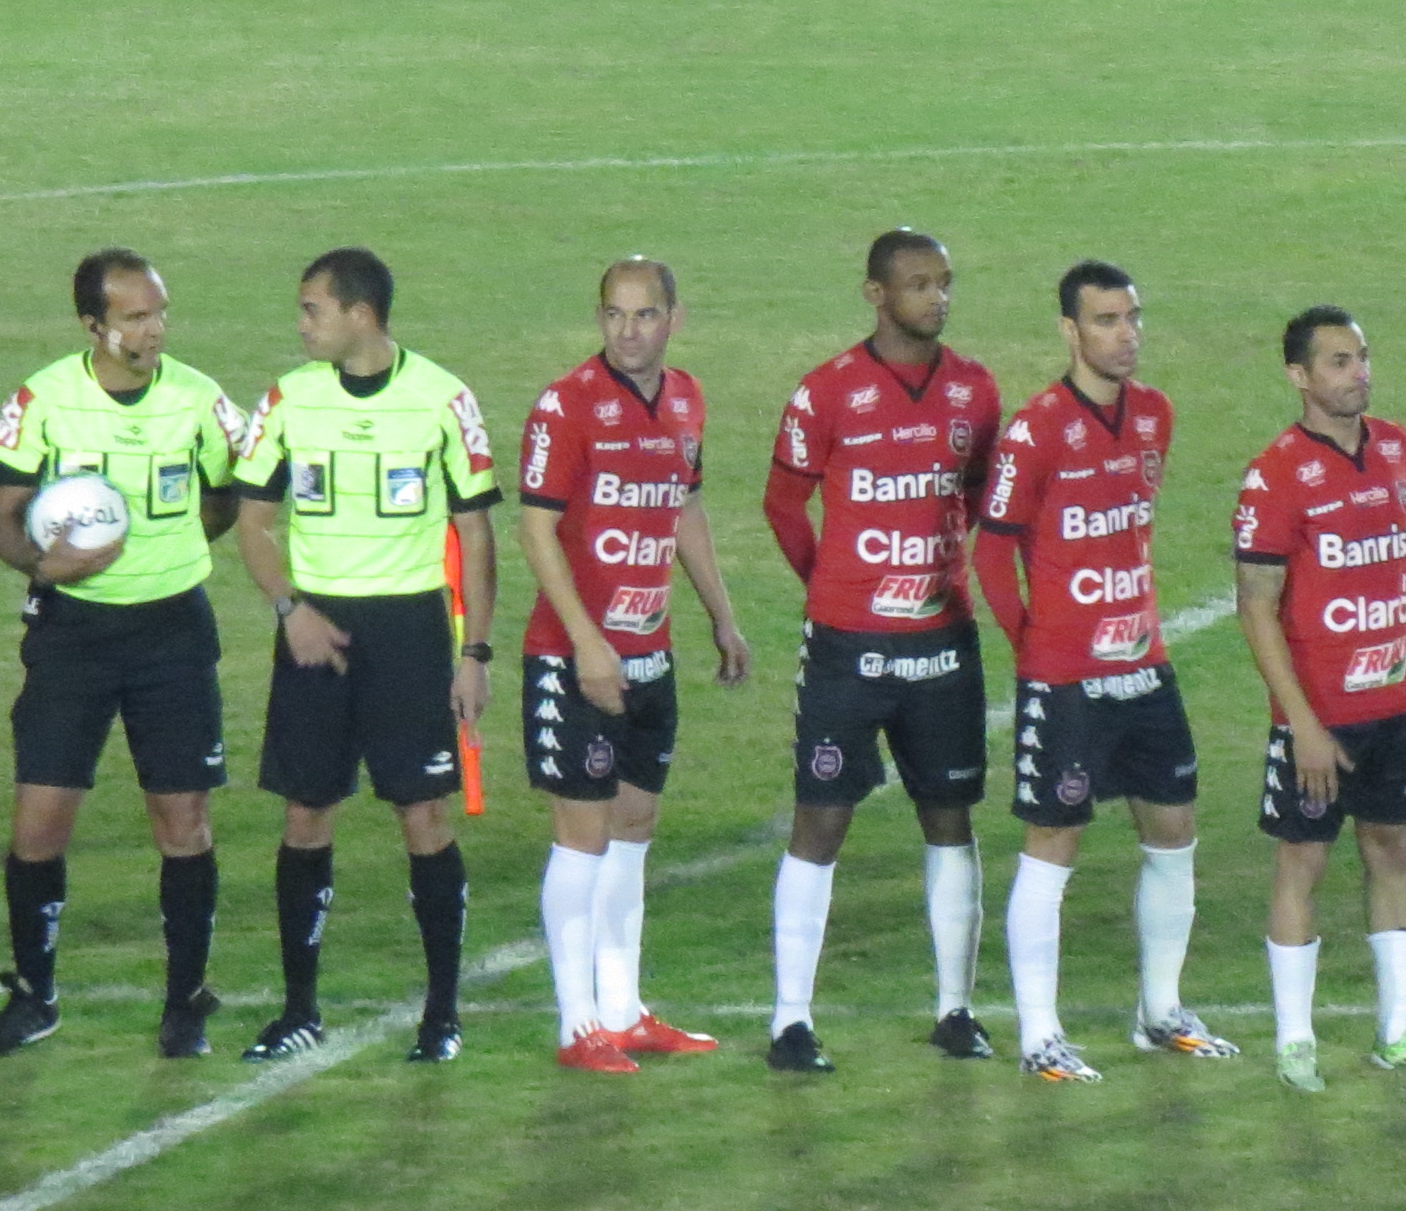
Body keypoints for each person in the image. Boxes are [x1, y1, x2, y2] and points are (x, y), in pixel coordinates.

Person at [0, 249, 243, 1057]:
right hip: (74, 635)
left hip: (172, 632)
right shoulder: (43, 401)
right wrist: (41, 564)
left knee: (183, 820)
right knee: (39, 822)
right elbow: (1, 521)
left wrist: (171, 553)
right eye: (133, 317)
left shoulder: (199, 400)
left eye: (158, 312)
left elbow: (230, 497)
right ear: (93, 325)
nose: (153, 328)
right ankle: (35, 995)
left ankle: (185, 999)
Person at [229, 248, 496, 1063]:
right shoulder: (287, 399)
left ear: (360, 314)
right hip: (316, 629)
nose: (301, 323)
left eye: (313, 309)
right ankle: (300, 1008)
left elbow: (476, 533)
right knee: (306, 813)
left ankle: (442, 1014)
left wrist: (475, 651)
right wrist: (289, 609)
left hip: (410, 632)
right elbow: (253, 522)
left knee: (424, 815)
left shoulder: (443, 400)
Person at [972, 260, 1231, 1083]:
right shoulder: (1036, 429)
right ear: (1070, 331)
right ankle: (1039, 1035)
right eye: (1108, 321)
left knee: (1174, 830)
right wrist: (1034, 645)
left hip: (1145, 664)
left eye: (1133, 318)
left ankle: (1160, 1011)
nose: (1126, 335)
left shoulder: (1155, 415)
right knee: (1054, 842)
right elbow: (991, 549)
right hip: (1067, 675)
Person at [761, 228, 1002, 1072]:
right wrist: (829, 586)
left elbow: (978, 494)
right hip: (846, 647)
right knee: (819, 821)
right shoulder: (826, 392)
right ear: (875, 293)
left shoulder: (975, 390)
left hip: (942, 641)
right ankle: (791, 1022)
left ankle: (956, 1009)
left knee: (950, 819)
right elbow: (784, 503)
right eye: (918, 284)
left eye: (945, 282)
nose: (936, 297)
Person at [1231, 306, 1406, 1092]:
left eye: (1363, 357)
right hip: (1321, 714)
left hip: (1395, 701)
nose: (1358, 373)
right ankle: (1295, 1040)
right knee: (1302, 860)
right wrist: (1300, 721)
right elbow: (1254, 606)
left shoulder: (1397, 449)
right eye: (1338, 362)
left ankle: (1400, 1032)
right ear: (1299, 378)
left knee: (1393, 851)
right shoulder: (1275, 475)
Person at [517, 260, 752, 1074]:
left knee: (633, 831)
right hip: (576, 659)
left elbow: (683, 507)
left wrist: (722, 615)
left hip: (651, 653)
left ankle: (622, 1009)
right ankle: (574, 1022)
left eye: (645, 315)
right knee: (581, 837)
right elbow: (537, 531)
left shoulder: (685, 400)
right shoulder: (566, 404)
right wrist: (586, 641)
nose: (627, 330)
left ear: (674, 320)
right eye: (614, 314)